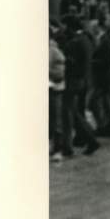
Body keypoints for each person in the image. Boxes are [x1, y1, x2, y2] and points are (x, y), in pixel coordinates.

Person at [60, 14, 99, 156]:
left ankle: (70, 145)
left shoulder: (75, 42)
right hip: (84, 80)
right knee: (74, 112)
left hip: (73, 80)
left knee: (68, 113)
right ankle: (89, 139)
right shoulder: (86, 40)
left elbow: (70, 62)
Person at [49, 23, 66, 162]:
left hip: (54, 89)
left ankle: (58, 149)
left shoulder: (54, 51)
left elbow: (60, 73)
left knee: (56, 120)